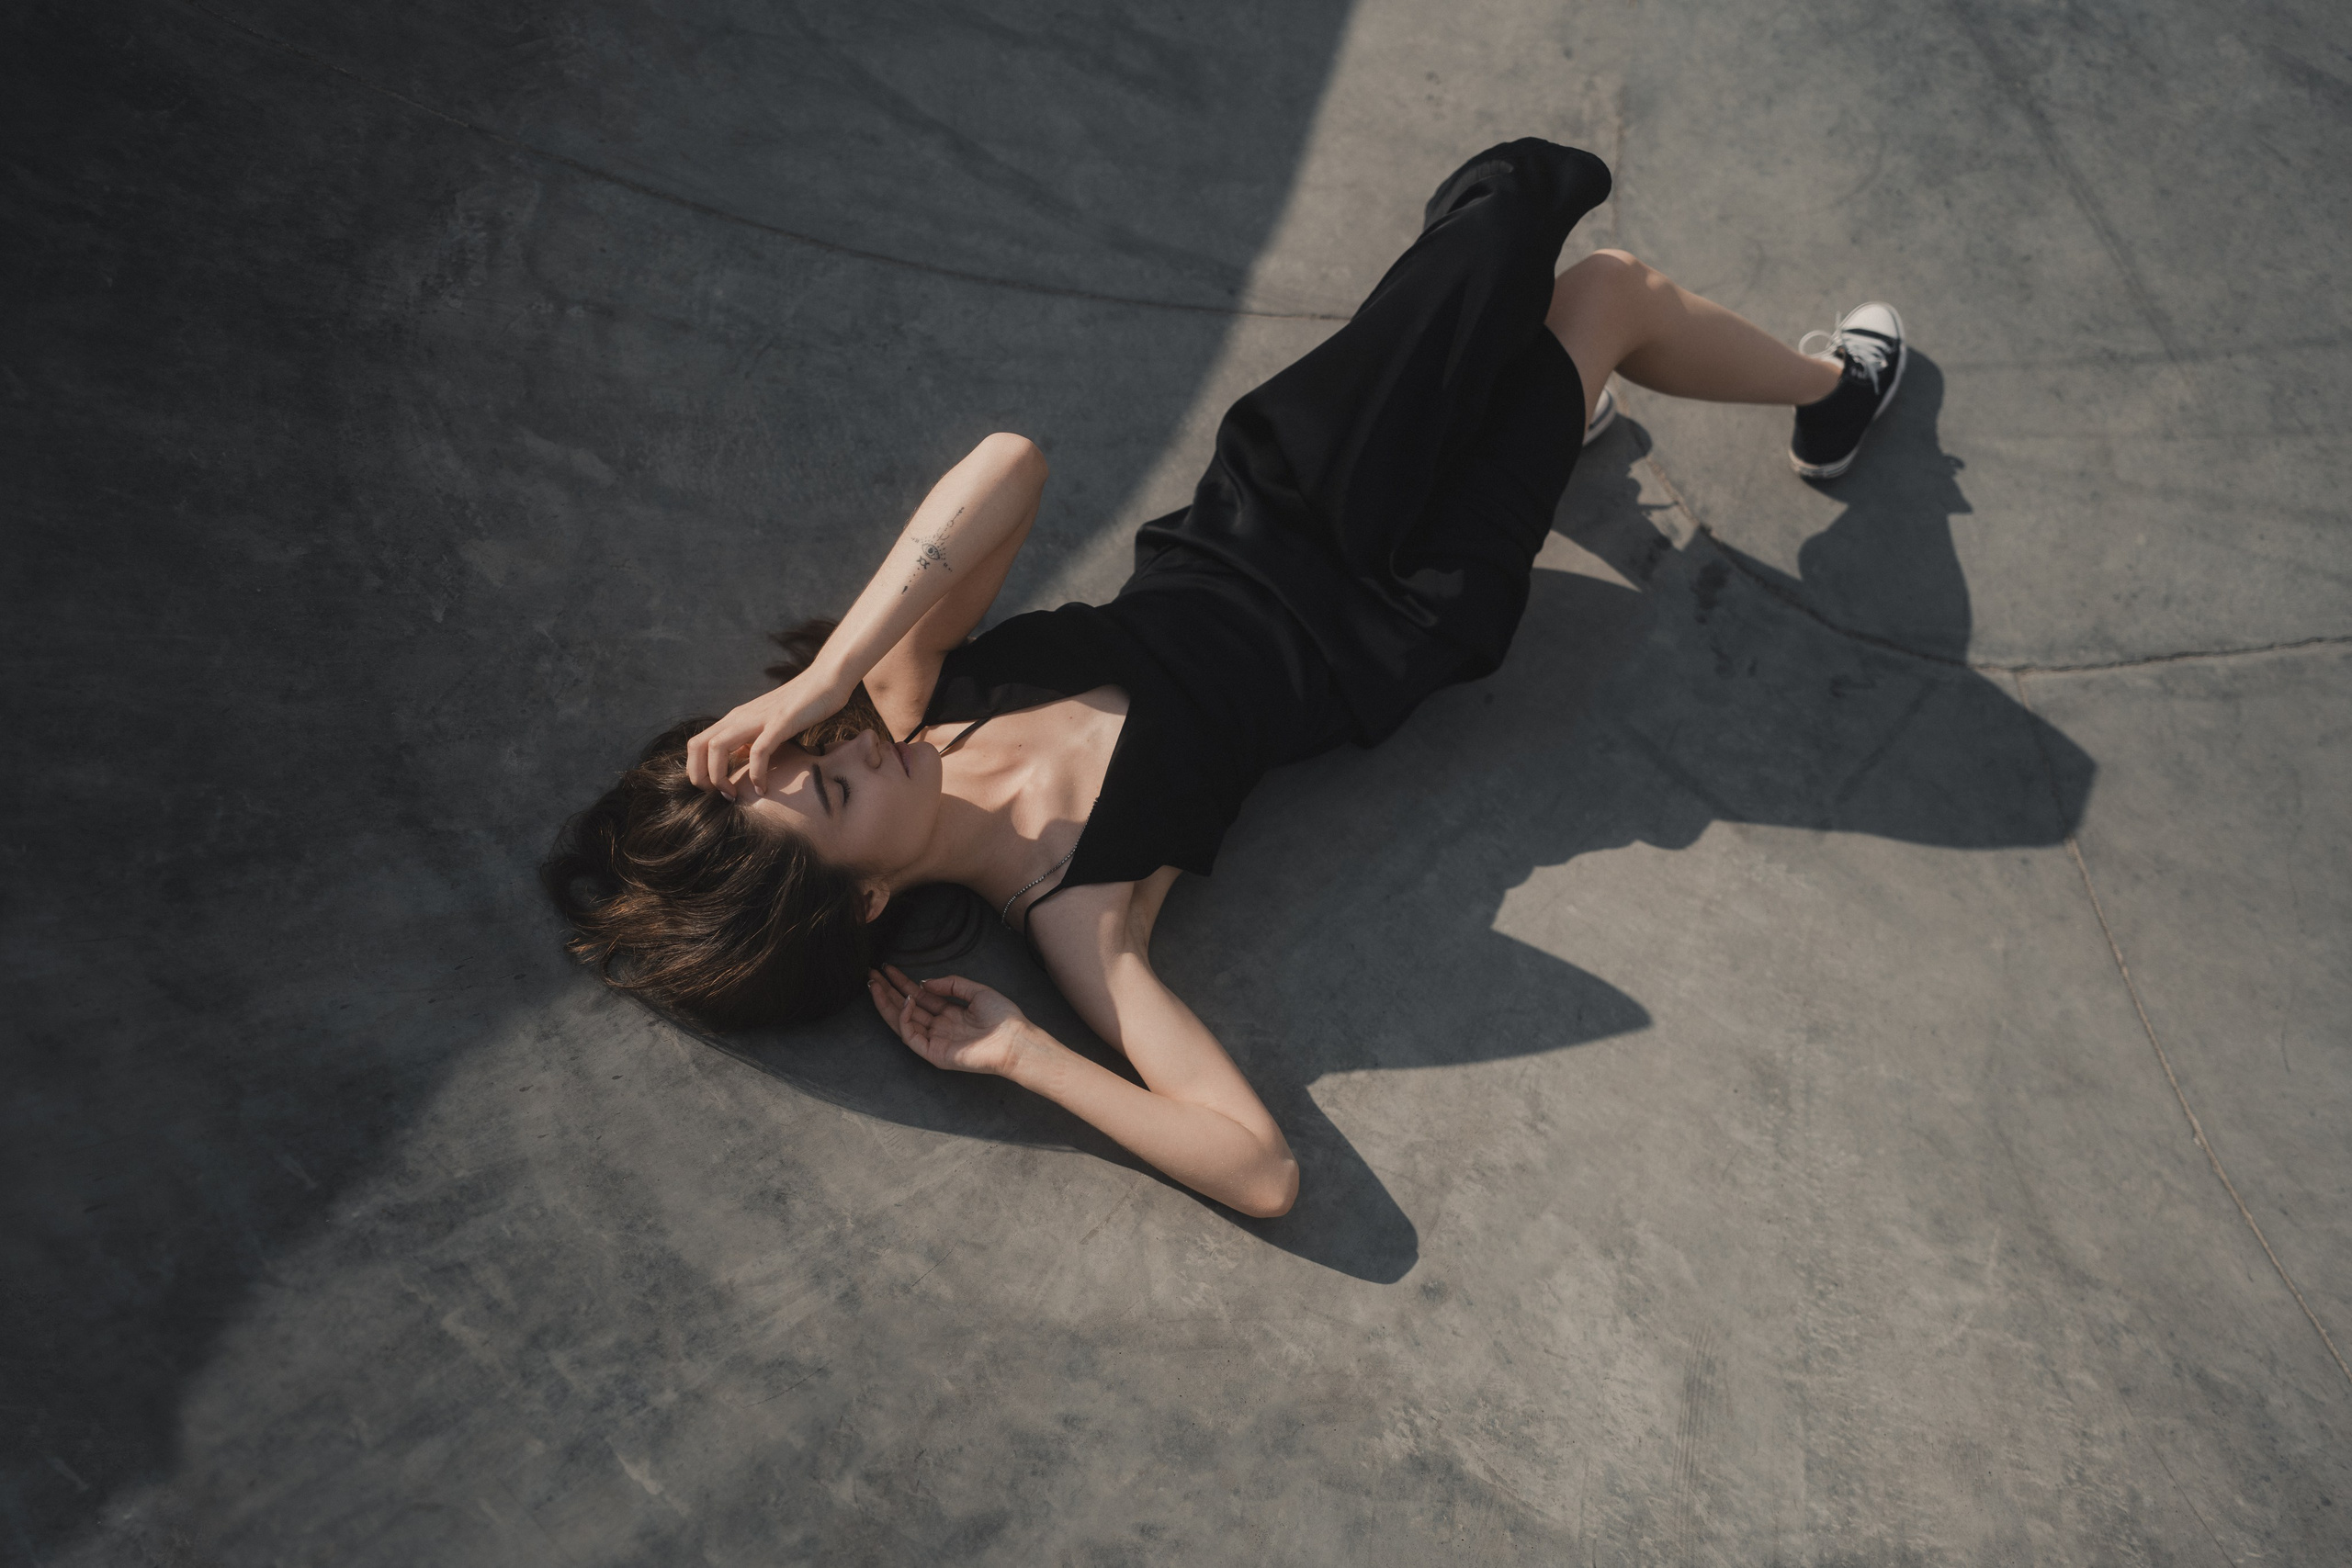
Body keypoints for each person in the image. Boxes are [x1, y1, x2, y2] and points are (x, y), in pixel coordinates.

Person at [544, 139, 1905, 1219]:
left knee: (1504, 210)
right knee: (1606, 292)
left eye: (804, 748)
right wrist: (1023, 1055)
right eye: (831, 791)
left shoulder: (910, 696)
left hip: (1279, 501)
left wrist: (824, 675)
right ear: (875, 899)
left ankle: (1522, 389)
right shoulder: (1075, 915)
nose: (841, 745)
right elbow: (1261, 1168)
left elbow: (1008, 463)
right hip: (1392, 610)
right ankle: (1825, 394)